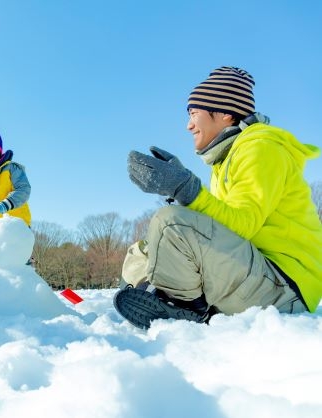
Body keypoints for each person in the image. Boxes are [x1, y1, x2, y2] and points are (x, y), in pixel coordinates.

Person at [114, 66, 322, 329]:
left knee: (170, 223)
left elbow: (242, 224)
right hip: (258, 275)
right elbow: (219, 226)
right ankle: (147, 296)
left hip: (284, 286)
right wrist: (180, 185)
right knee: (145, 247)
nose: (189, 125)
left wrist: (185, 187)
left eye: (194, 114)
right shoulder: (226, 160)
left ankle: (183, 308)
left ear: (224, 114)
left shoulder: (261, 148)